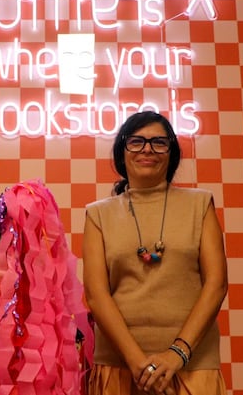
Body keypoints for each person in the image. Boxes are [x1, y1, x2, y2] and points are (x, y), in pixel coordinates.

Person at [82, 111, 229, 395]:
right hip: (120, 368)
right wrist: (138, 363)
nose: (147, 149)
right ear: (121, 152)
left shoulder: (200, 204)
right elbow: (96, 295)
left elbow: (217, 284)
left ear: (171, 153)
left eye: (159, 142)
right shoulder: (98, 214)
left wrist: (177, 353)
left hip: (192, 367)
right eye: (136, 141)